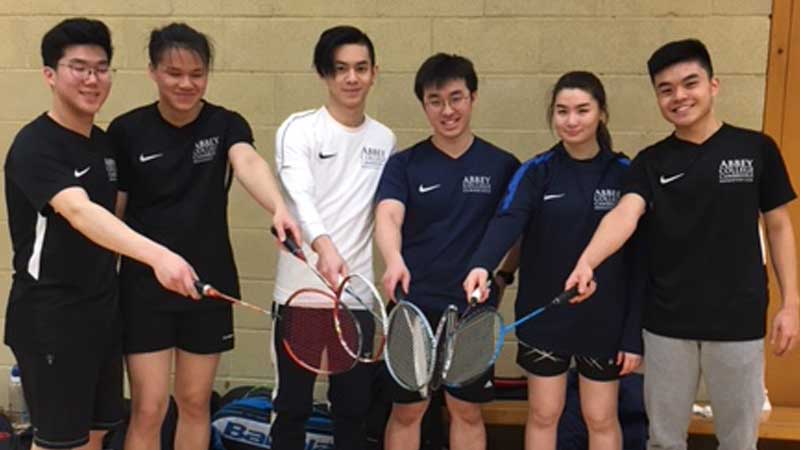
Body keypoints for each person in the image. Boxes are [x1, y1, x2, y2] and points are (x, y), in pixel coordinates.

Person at [566, 39, 799, 450]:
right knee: (664, 440)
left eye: (689, 83)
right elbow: (624, 214)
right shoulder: (650, 162)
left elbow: (779, 227)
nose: (678, 96)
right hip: (666, 326)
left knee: (739, 440)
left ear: (714, 85)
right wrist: (588, 261)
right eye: (665, 89)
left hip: (738, 323)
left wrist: (791, 303)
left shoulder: (755, 149)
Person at [4, 18, 199, 450]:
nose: (92, 79)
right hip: (51, 316)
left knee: (94, 436)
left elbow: (120, 217)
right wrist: (159, 256)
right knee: (57, 443)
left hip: (102, 313)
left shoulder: (104, 144)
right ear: (50, 75)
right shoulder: (35, 145)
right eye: (79, 67)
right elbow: (80, 212)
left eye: (101, 68)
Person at [106, 22, 300, 450]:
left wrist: (278, 207)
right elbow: (113, 216)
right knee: (149, 407)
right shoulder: (126, 131)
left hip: (207, 285)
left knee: (194, 402)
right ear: (153, 72)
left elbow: (247, 161)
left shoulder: (225, 123)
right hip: (144, 288)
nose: (186, 83)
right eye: (174, 73)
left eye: (197, 73)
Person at [463, 71, 644, 450]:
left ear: (601, 114)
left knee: (601, 418)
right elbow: (508, 219)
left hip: (604, 320)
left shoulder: (626, 173)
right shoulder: (536, 171)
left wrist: (632, 335)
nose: (572, 120)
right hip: (546, 314)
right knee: (544, 414)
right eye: (562, 111)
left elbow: (641, 261)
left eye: (582, 110)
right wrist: (482, 265)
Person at [375, 53, 521, 450]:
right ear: (424, 105)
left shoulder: (503, 165)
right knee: (408, 411)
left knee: (466, 411)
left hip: (473, 313)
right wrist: (394, 261)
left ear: (472, 97)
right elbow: (388, 216)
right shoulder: (404, 165)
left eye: (456, 97)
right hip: (413, 306)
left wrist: (503, 276)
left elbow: (516, 229)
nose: (447, 110)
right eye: (435, 100)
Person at [270, 25, 396, 450]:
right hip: (301, 297)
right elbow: (299, 195)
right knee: (291, 408)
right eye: (340, 69)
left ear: (374, 73)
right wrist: (323, 247)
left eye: (361, 68)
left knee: (352, 411)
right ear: (325, 74)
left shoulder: (384, 139)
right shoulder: (298, 129)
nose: (351, 78)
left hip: (357, 299)